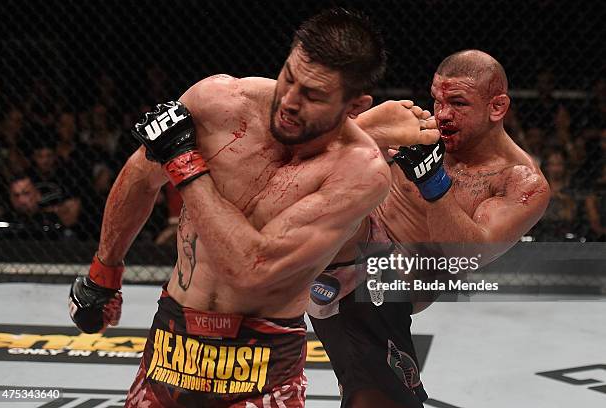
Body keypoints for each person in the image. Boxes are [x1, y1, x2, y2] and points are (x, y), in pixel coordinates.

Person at [67, 8, 435, 408]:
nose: (290, 101)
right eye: (289, 78)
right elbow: (142, 175)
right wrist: (103, 274)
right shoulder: (220, 101)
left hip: (262, 364)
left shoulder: (360, 172)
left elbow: (251, 270)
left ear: (353, 105)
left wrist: (185, 162)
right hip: (171, 344)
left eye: (313, 95)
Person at [308, 50, 551, 408]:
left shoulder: (519, 183)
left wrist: (433, 183)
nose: (443, 115)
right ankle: (349, 133)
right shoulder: (416, 133)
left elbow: (464, 256)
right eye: (437, 100)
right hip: (348, 256)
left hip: (381, 288)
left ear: (496, 107)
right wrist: (372, 141)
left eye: (458, 103)